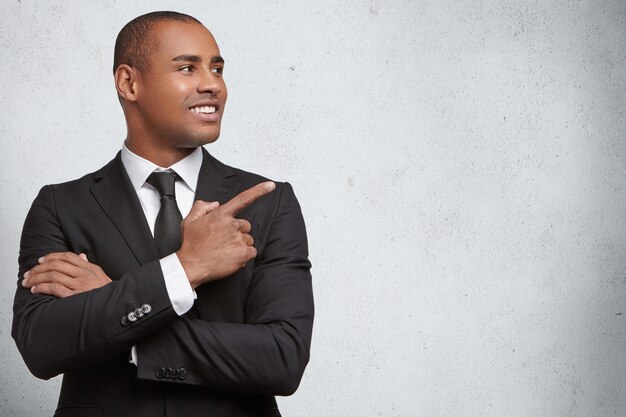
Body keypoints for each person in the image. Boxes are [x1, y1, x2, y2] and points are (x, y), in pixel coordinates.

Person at [12, 11, 313, 417]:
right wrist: (185, 268)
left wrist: (112, 307)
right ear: (129, 82)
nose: (212, 84)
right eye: (188, 67)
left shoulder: (267, 202)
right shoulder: (61, 206)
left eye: (217, 68)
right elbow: (41, 346)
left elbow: (283, 358)